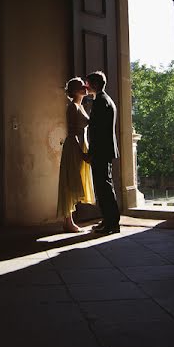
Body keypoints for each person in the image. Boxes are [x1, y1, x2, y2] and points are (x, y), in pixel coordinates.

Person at [56, 77, 95, 232]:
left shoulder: (79, 106)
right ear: (73, 91)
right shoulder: (72, 107)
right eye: (81, 86)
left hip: (79, 145)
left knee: (74, 181)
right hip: (74, 146)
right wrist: (81, 153)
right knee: (70, 182)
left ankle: (68, 221)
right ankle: (68, 221)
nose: (85, 87)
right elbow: (72, 133)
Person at [84, 71, 120, 234]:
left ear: (95, 85)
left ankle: (112, 223)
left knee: (103, 187)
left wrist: (91, 152)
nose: (86, 86)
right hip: (105, 150)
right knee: (104, 186)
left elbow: (97, 130)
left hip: (101, 151)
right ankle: (108, 220)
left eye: (88, 83)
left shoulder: (100, 102)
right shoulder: (106, 100)